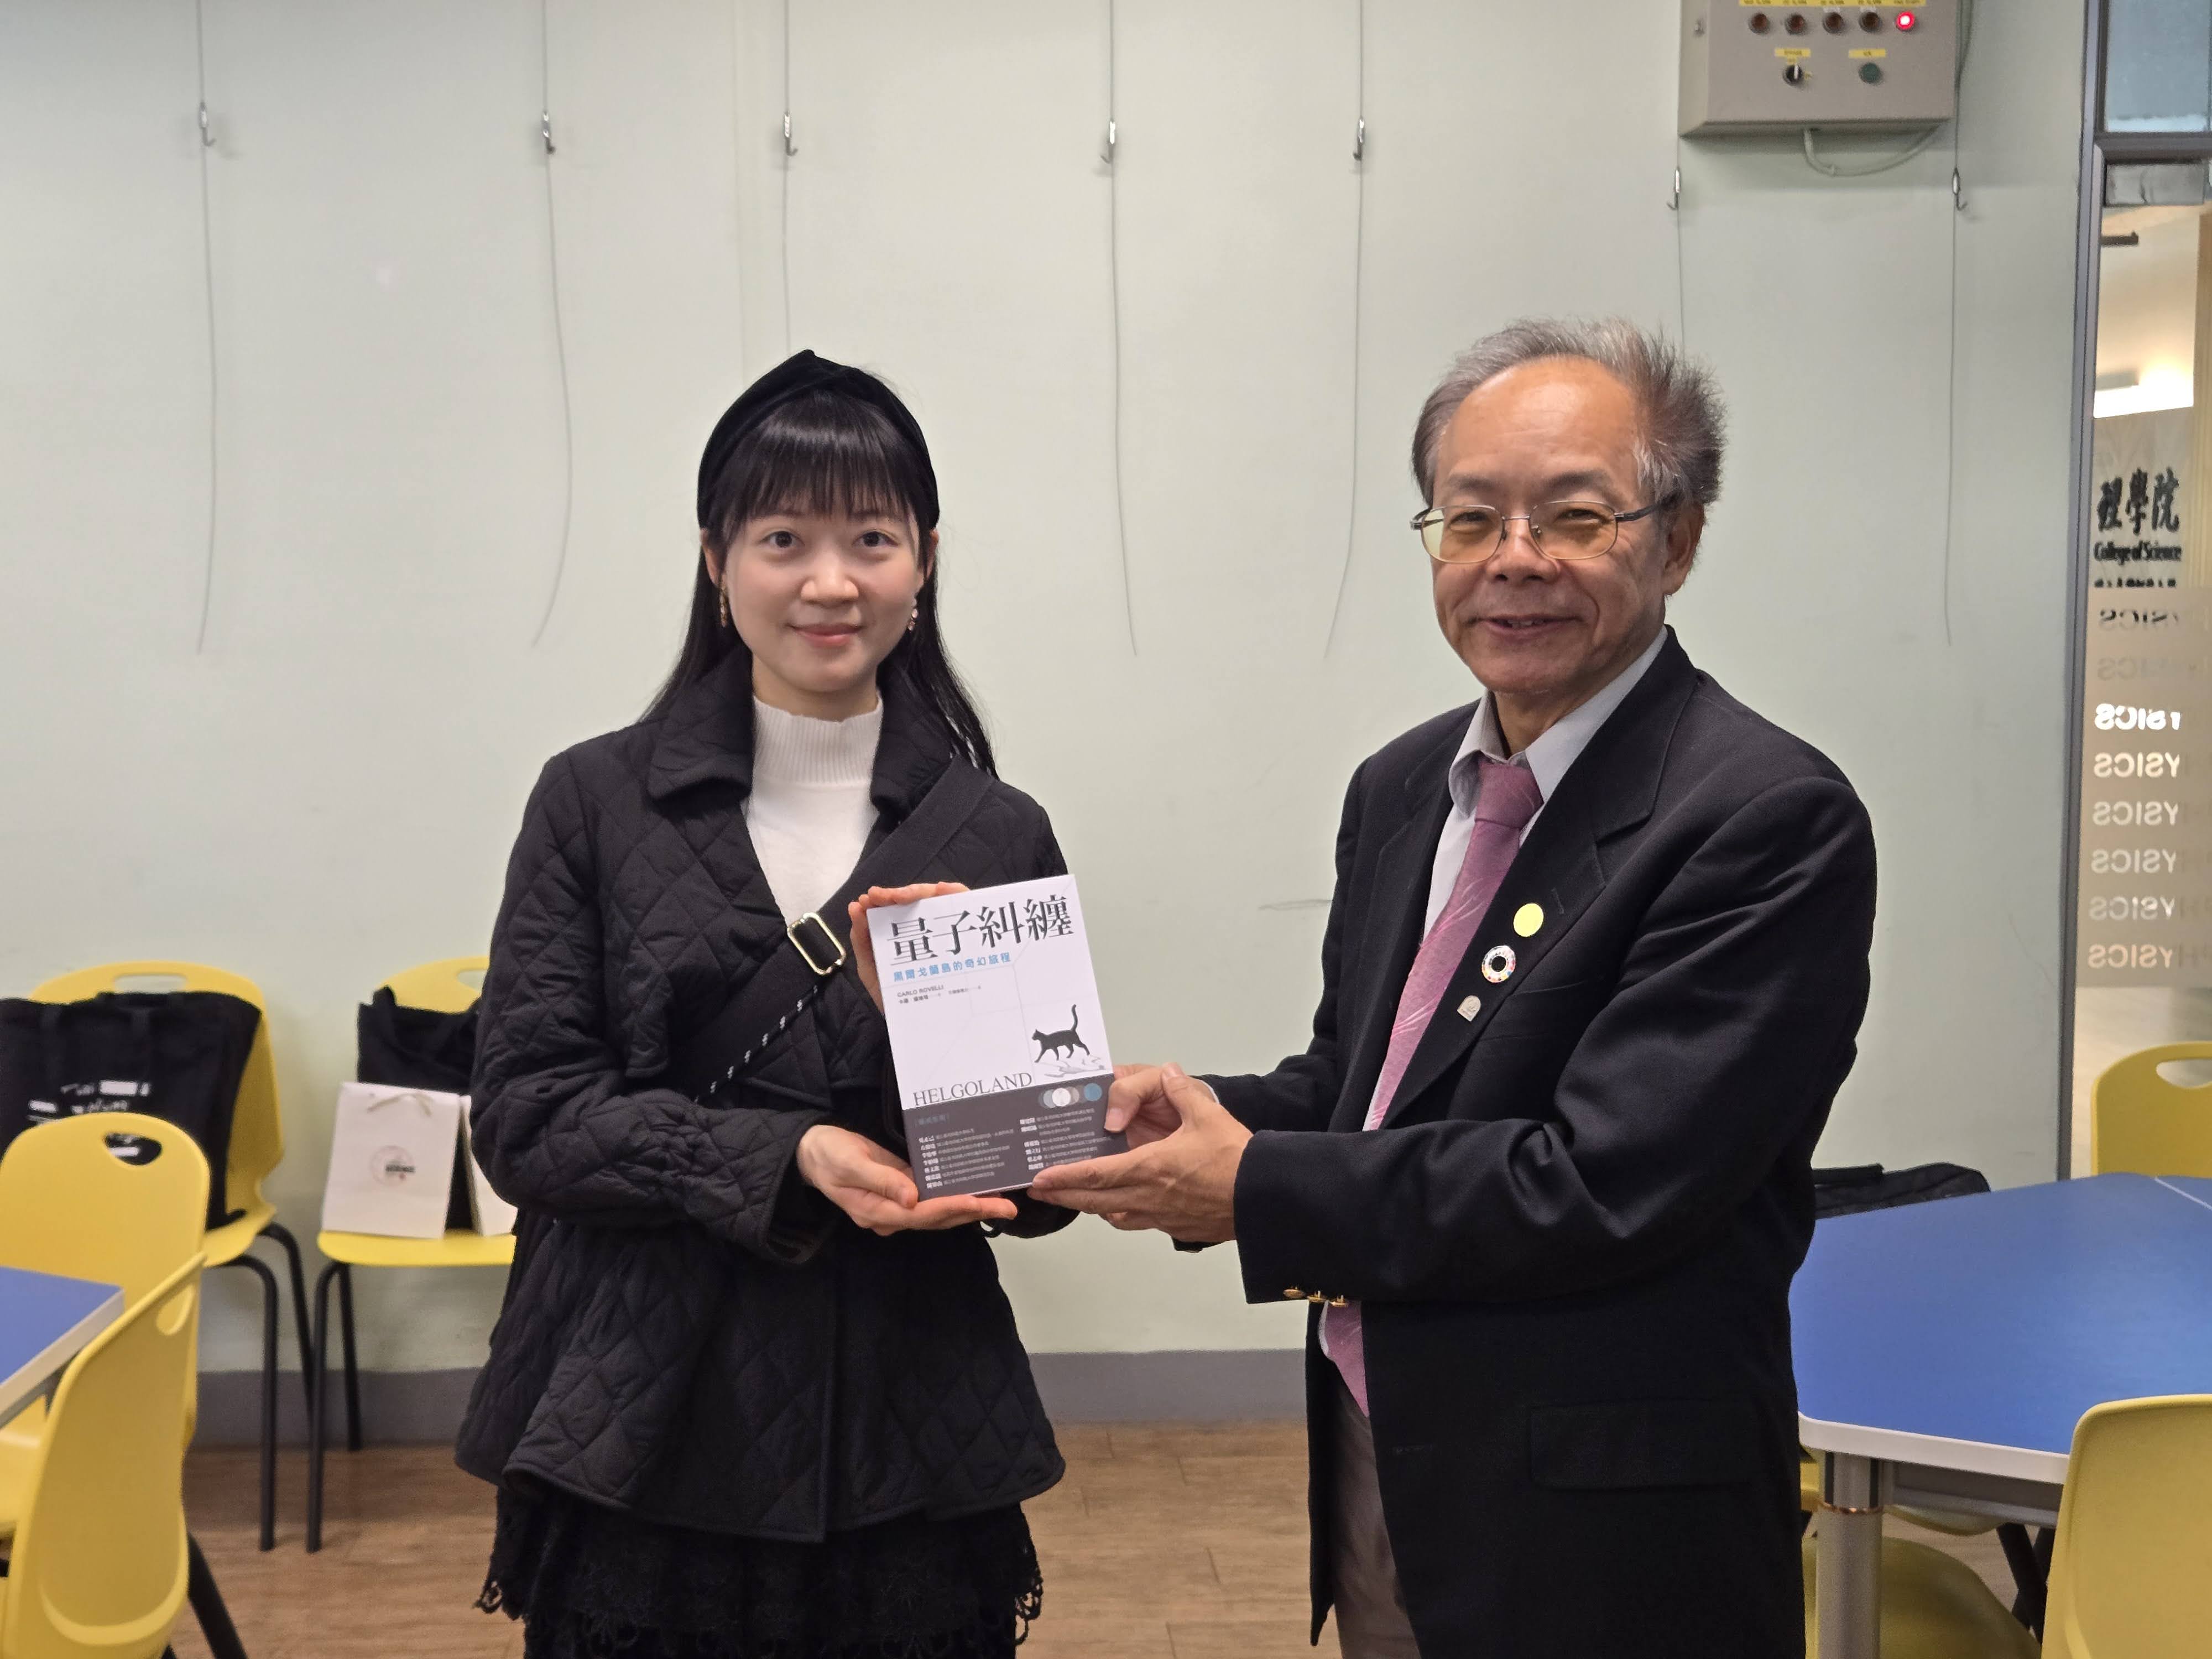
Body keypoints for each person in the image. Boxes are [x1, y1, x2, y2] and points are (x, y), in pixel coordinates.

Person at [1031, 318, 1878, 1657]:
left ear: (1675, 541)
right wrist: (1172, 1115)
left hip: (1603, 1519)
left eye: (1574, 517)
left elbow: (1597, 1183)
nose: (1512, 559)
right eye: (1469, 519)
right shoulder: (1402, 786)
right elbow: (1363, 1088)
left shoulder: (1764, 816)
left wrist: (1249, 1187)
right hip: (1389, 1448)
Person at [457, 351, 1075, 1659]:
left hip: (906, 1415)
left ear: (924, 561)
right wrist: (782, 1156)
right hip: (646, 1412)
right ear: (715, 560)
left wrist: (935, 1048)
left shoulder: (994, 828)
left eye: (871, 539)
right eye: (783, 538)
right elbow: (526, 1120)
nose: (829, 582)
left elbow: (1026, 1182)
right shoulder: (592, 802)